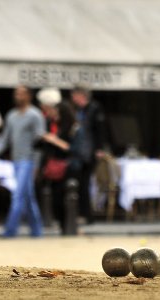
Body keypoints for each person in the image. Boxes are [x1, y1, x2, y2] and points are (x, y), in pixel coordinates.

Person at [0, 85, 45, 238]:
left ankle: (10, 230)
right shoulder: (11, 116)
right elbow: (5, 139)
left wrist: (37, 164)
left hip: (28, 161)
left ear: (28, 96)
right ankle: (37, 231)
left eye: (21, 94)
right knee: (28, 197)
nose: (17, 96)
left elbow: (39, 142)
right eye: (16, 93)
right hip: (16, 160)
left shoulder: (35, 115)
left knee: (17, 195)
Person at [37, 87, 80, 234]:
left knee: (65, 197)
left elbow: (72, 147)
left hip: (67, 166)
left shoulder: (72, 127)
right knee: (55, 198)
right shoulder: (51, 124)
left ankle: (67, 227)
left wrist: (53, 140)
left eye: (55, 112)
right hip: (53, 165)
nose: (52, 114)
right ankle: (61, 224)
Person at [70, 84, 106, 223]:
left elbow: (100, 129)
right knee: (78, 184)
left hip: (89, 152)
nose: (72, 98)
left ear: (82, 95)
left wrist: (99, 149)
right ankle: (81, 213)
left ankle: (87, 215)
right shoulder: (76, 110)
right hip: (78, 152)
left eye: (74, 95)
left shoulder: (94, 108)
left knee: (85, 183)